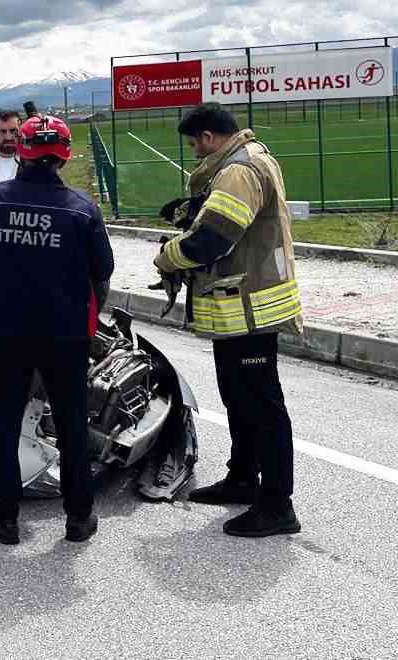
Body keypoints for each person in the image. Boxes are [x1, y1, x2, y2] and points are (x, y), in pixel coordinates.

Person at [0, 114, 112, 545]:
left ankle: (5, 519)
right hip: (65, 335)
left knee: (4, 423)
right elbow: (104, 268)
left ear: (22, 151)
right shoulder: (83, 209)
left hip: (5, 332)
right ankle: (78, 519)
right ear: (64, 155)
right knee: (71, 425)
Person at [153, 103, 302, 538]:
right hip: (240, 306)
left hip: (252, 307)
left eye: (195, 145)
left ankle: (277, 505)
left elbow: (213, 238)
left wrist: (168, 255)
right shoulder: (247, 161)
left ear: (208, 137)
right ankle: (242, 480)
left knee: (261, 405)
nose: (195, 153)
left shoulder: (238, 170)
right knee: (239, 398)